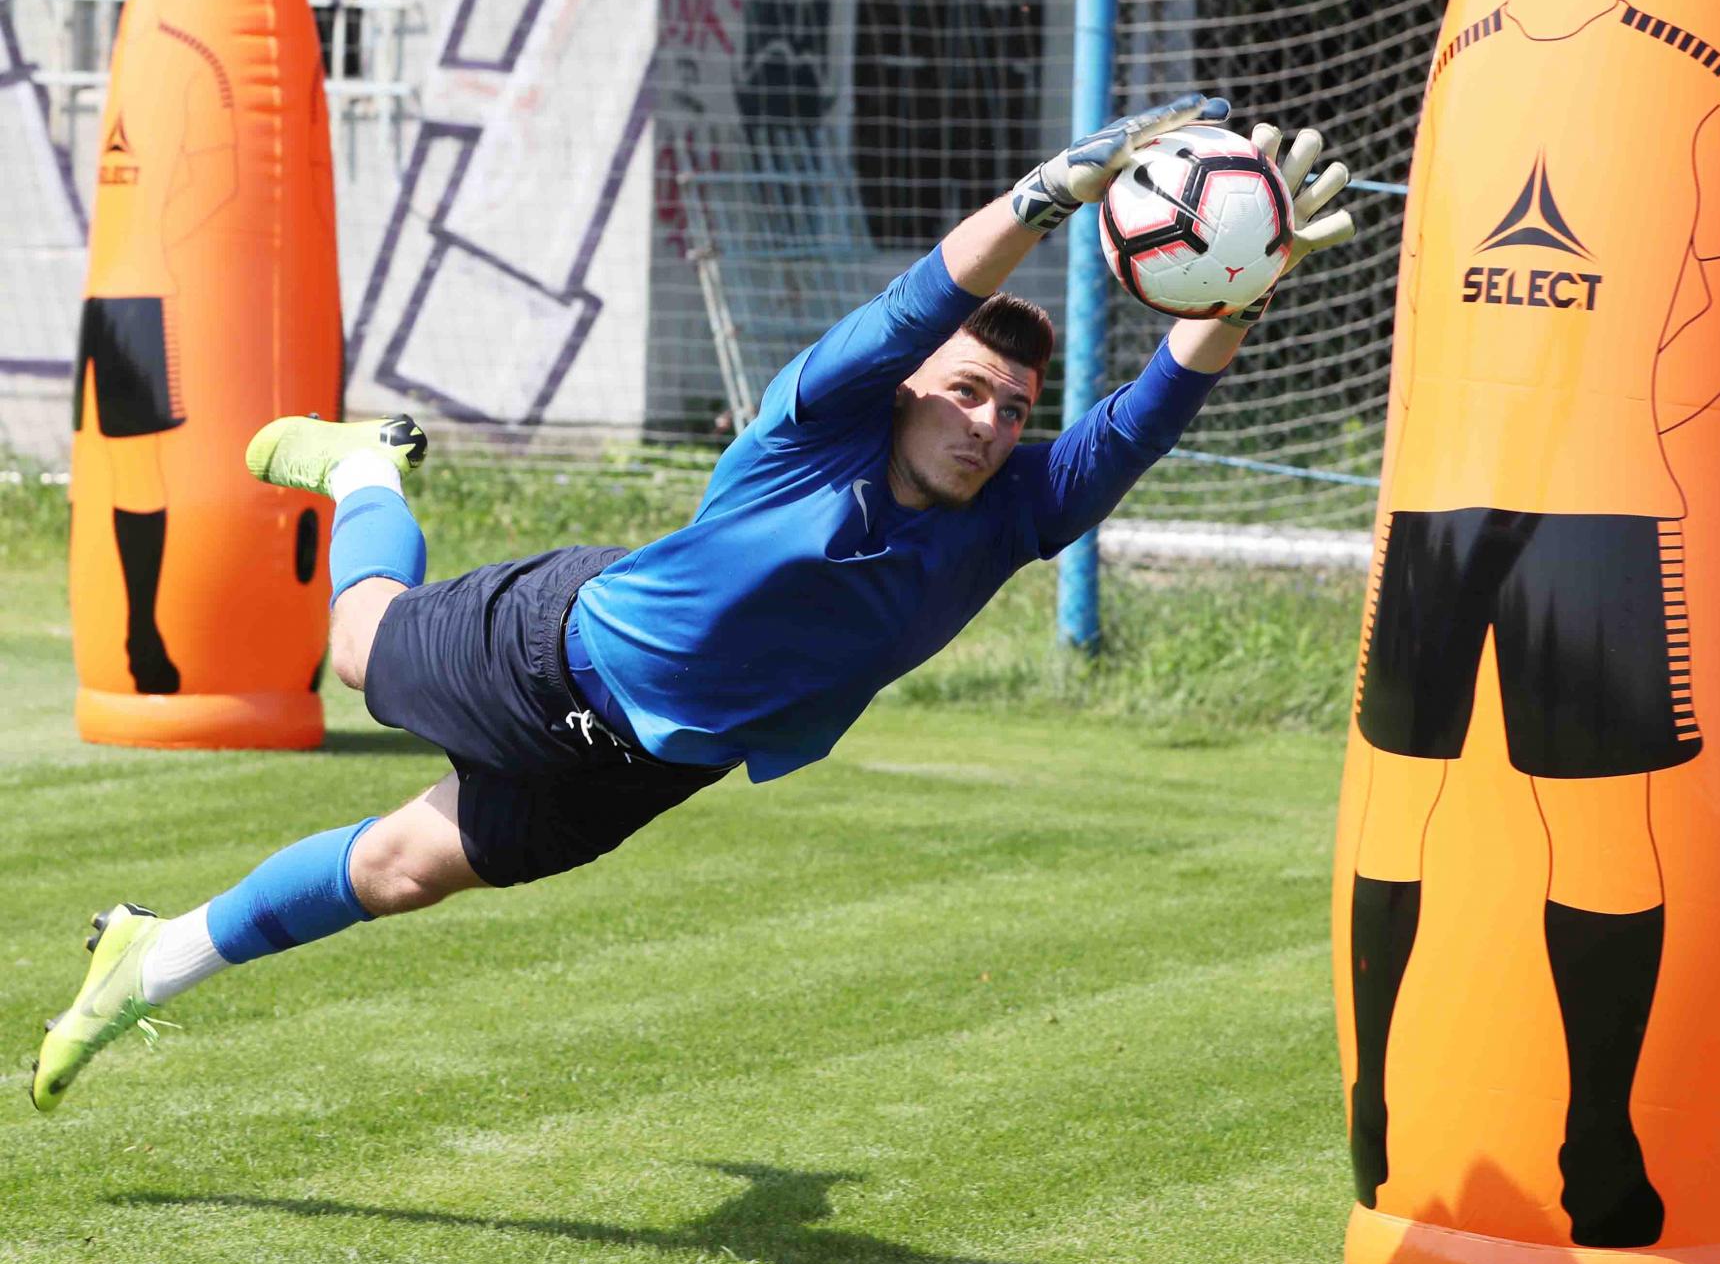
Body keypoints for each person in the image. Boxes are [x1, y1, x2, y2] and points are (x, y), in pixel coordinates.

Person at [32, 92, 1354, 1112]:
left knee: (397, 869)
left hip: (649, 768)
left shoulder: (1015, 513)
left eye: (1011, 409)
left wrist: (1246, 277)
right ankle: (367, 471)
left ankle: (148, 957)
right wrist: (1049, 192)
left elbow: (1146, 416)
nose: (988, 423)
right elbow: (927, 298)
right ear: (906, 387)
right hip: (552, 654)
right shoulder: (815, 425)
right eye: (965, 391)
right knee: (358, 643)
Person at [1347, 0, 1720, 1248]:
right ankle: (1378, 1106)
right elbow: (1423, 284)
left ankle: (1600, 1138)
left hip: (1602, 509)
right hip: (1439, 497)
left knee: (1598, 817)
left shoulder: (1696, 83)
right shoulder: (1465, 71)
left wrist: (1639, 410)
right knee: (1398, 787)